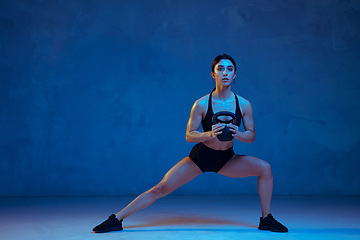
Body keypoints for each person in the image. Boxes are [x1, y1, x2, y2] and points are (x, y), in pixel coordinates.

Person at [92, 54, 288, 233]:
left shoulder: (244, 104)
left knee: (265, 169)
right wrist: (210, 133)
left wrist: (239, 134)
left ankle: (266, 219)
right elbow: (189, 135)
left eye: (229, 69)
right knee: (160, 188)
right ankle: (117, 219)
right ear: (213, 74)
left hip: (227, 159)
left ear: (235, 74)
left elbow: (252, 136)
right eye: (220, 69)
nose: (225, 73)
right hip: (200, 158)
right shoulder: (202, 104)